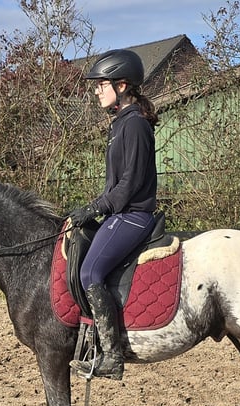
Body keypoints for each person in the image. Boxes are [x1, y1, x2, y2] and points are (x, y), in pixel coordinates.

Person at [67, 49, 159, 380]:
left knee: (90, 272)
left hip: (133, 215)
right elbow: (113, 185)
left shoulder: (133, 125)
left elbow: (130, 184)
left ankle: (111, 356)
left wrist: (97, 208)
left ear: (121, 85)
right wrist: (91, 208)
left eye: (100, 85)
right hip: (119, 213)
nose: (95, 91)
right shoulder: (120, 123)